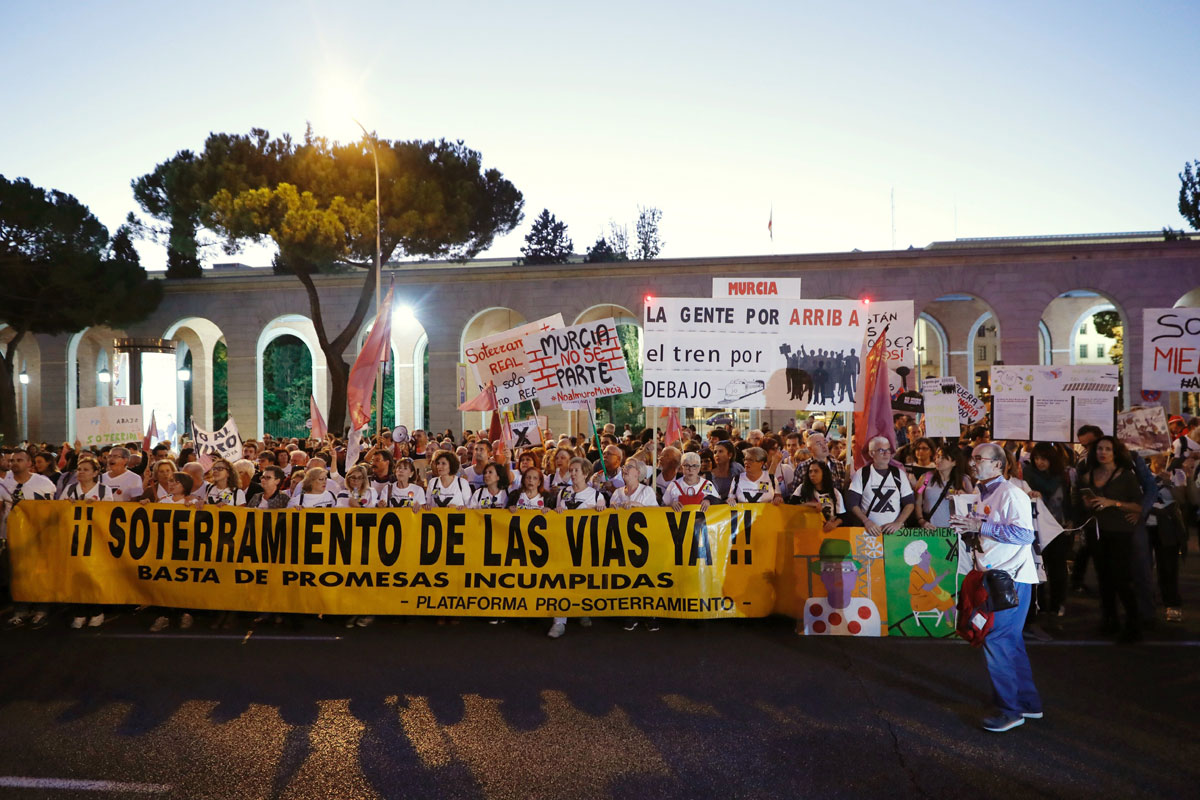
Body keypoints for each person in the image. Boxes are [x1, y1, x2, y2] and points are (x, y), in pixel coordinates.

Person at [950, 442, 1042, 732]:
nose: (973, 463)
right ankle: (1027, 704)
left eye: (980, 459)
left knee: (997, 640)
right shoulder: (983, 492)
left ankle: (1010, 710)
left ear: (999, 465)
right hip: (1000, 576)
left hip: (1010, 578)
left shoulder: (1012, 493)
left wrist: (979, 528)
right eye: (973, 458)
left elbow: (1025, 534)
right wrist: (971, 530)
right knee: (1009, 642)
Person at [1075, 435, 1145, 642]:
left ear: (1115, 452)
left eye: (1107, 449)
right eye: (1099, 449)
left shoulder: (1126, 476)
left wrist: (1112, 503)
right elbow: (1083, 503)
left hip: (1120, 533)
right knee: (1103, 578)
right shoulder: (1088, 476)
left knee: (1122, 579)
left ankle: (1133, 624)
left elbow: (1138, 506)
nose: (1103, 453)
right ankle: (1109, 619)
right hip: (1097, 532)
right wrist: (1088, 504)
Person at [1, 450, 60, 629]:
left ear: (29, 463)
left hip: (39, 536)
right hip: (12, 536)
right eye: (12, 460)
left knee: (39, 573)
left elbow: (51, 508)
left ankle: (42, 609)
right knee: (18, 574)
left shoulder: (43, 483)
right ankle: (20, 610)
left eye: (19, 460)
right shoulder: (4, 484)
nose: (14, 463)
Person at [549, 457, 603, 638]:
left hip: (585, 544)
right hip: (563, 542)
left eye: (576, 470)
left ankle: (583, 609)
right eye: (570, 470)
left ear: (586, 473)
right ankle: (559, 621)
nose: (572, 473)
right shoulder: (563, 493)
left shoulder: (596, 496)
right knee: (561, 580)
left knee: (583, 578)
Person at [1022, 443, 1073, 618]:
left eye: (1044, 458)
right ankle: (1040, 604)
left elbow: (1067, 500)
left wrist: (1070, 521)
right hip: (1037, 528)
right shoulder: (1028, 476)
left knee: (1057, 568)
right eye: (1036, 458)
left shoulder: (1061, 477)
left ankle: (1057, 603)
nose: (1040, 462)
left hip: (1058, 526)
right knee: (1038, 566)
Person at [847, 437, 915, 535]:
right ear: (871, 453)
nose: (886, 454)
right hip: (869, 532)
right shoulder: (862, 474)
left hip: (895, 532)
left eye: (888, 450)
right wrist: (866, 521)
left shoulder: (899, 474)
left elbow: (909, 503)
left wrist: (898, 522)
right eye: (881, 450)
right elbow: (852, 503)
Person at [913, 444, 972, 529]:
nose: (938, 460)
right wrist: (921, 520)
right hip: (930, 529)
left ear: (954, 462)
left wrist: (964, 496)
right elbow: (917, 501)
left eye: (943, 458)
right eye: (938, 456)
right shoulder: (926, 478)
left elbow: (972, 506)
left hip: (954, 532)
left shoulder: (964, 480)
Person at [903, 539, 955, 627]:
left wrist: (943, 576)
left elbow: (934, 582)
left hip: (931, 595)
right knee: (945, 601)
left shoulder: (930, 569)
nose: (929, 554)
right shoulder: (915, 573)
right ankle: (951, 620)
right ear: (919, 557)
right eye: (926, 553)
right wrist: (941, 577)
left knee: (948, 599)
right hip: (921, 601)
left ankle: (951, 620)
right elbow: (928, 587)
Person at [790, 460, 845, 532]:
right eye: (810, 471)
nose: (812, 474)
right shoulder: (802, 488)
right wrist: (808, 505)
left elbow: (843, 516)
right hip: (805, 531)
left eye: (816, 471)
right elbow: (790, 507)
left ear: (824, 473)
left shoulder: (835, 493)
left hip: (828, 532)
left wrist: (834, 524)